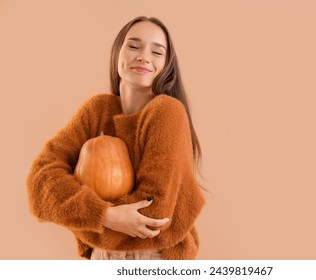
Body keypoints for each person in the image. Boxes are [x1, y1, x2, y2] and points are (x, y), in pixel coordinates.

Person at [26, 16, 205, 260]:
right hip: (101, 256)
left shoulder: (167, 111)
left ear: (166, 65)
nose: (144, 56)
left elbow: (152, 215)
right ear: (117, 53)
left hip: (155, 257)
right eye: (134, 46)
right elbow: (40, 181)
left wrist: (80, 217)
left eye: (157, 51)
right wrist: (104, 215)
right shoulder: (97, 110)